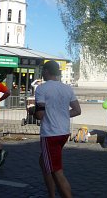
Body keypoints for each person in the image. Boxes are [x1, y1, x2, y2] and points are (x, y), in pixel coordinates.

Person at [34, 60, 81, 198]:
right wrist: (62, 114)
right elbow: (77, 110)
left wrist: (32, 111)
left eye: (43, 70)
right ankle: (51, 194)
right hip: (64, 132)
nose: (42, 73)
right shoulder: (67, 88)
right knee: (43, 161)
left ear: (47, 71)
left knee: (56, 171)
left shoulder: (41, 89)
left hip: (50, 134)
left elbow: (40, 115)